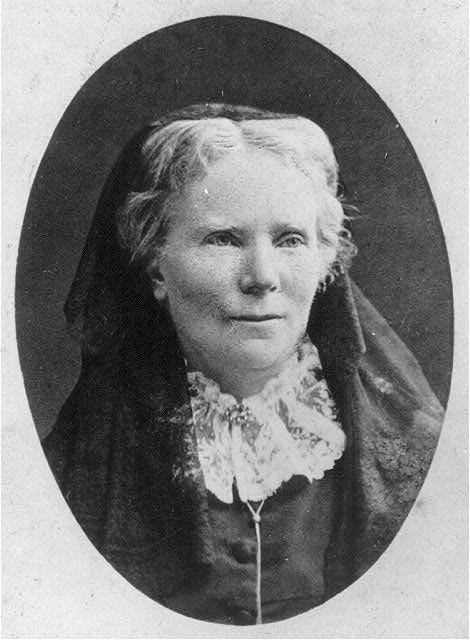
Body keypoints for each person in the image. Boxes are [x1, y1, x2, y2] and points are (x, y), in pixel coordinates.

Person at [42, 103, 444, 625]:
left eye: (290, 240)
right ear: (155, 264)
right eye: (224, 239)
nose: (262, 277)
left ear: (325, 261)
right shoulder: (76, 473)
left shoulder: (421, 457)